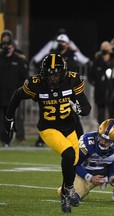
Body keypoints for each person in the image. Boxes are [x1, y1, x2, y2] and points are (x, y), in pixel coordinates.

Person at [1, 54, 91, 213]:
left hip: (69, 128)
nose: (53, 79)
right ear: (43, 74)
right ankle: (69, 189)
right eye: (50, 75)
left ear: (63, 73)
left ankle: (64, 190)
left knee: (74, 161)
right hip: (48, 128)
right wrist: (8, 118)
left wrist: (80, 110)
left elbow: (86, 107)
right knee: (69, 154)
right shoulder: (36, 84)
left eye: (56, 75)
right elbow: (17, 95)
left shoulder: (72, 80)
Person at [57, 118, 114, 203]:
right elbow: (74, 164)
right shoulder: (87, 141)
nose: (102, 142)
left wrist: (113, 176)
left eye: (106, 141)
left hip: (105, 171)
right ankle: (79, 188)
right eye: (100, 137)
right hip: (86, 173)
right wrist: (89, 177)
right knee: (67, 196)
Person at [34, 34, 85, 147]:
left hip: (67, 89)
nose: (60, 44)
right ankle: (41, 140)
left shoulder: (71, 56)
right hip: (51, 88)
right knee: (46, 112)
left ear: (67, 44)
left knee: (73, 113)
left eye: (63, 42)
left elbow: (71, 72)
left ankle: (81, 139)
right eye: (59, 42)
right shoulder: (52, 55)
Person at [0, 29, 29, 147]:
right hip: (1, 93)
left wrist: (21, 91)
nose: (8, 47)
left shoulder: (19, 59)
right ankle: (4, 139)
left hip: (13, 94)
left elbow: (24, 76)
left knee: (14, 116)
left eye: (10, 45)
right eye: (5, 45)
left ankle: (15, 137)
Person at [88, 41, 114, 124]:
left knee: (112, 113)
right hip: (100, 91)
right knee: (101, 114)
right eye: (104, 49)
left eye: (107, 48)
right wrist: (95, 83)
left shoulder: (113, 61)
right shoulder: (97, 61)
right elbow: (90, 75)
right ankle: (101, 132)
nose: (105, 50)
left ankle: (111, 132)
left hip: (111, 91)